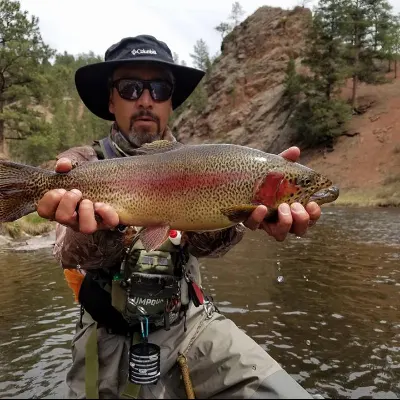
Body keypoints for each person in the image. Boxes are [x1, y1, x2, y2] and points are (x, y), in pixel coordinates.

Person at [37, 35, 322, 399]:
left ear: (171, 100)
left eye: (159, 88)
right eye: (130, 87)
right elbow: (66, 254)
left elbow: (205, 245)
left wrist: (248, 215)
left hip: (191, 326)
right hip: (103, 338)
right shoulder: (82, 164)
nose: (145, 99)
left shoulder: (202, 161)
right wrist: (100, 228)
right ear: (111, 99)